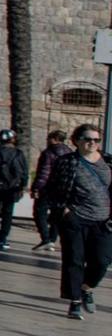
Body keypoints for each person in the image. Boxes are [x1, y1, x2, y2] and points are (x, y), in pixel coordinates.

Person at [46, 123, 111, 319]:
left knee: (102, 260)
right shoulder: (67, 162)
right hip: (76, 218)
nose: (92, 143)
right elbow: (53, 188)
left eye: (96, 140)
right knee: (74, 259)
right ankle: (74, 301)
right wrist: (64, 211)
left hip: (103, 220)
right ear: (77, 141)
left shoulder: (108, 162)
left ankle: (87, 287)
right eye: (88, 139)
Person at [0, 128, 29, 252]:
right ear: (13, 139)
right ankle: (3, 237)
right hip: (11, 187)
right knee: (7, 213)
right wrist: (23, 186)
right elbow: (24, 172)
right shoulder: (18, 153)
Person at [31, 127, 72, 251]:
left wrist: (36, 188)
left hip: (47, 188)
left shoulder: (48, 153)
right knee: (56, 214)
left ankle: (46, 238)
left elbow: (44, 172)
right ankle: (52, 239)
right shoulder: (69, 152)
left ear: (54, 139)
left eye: (48, 138)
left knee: (39, 212)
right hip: (62, 189)